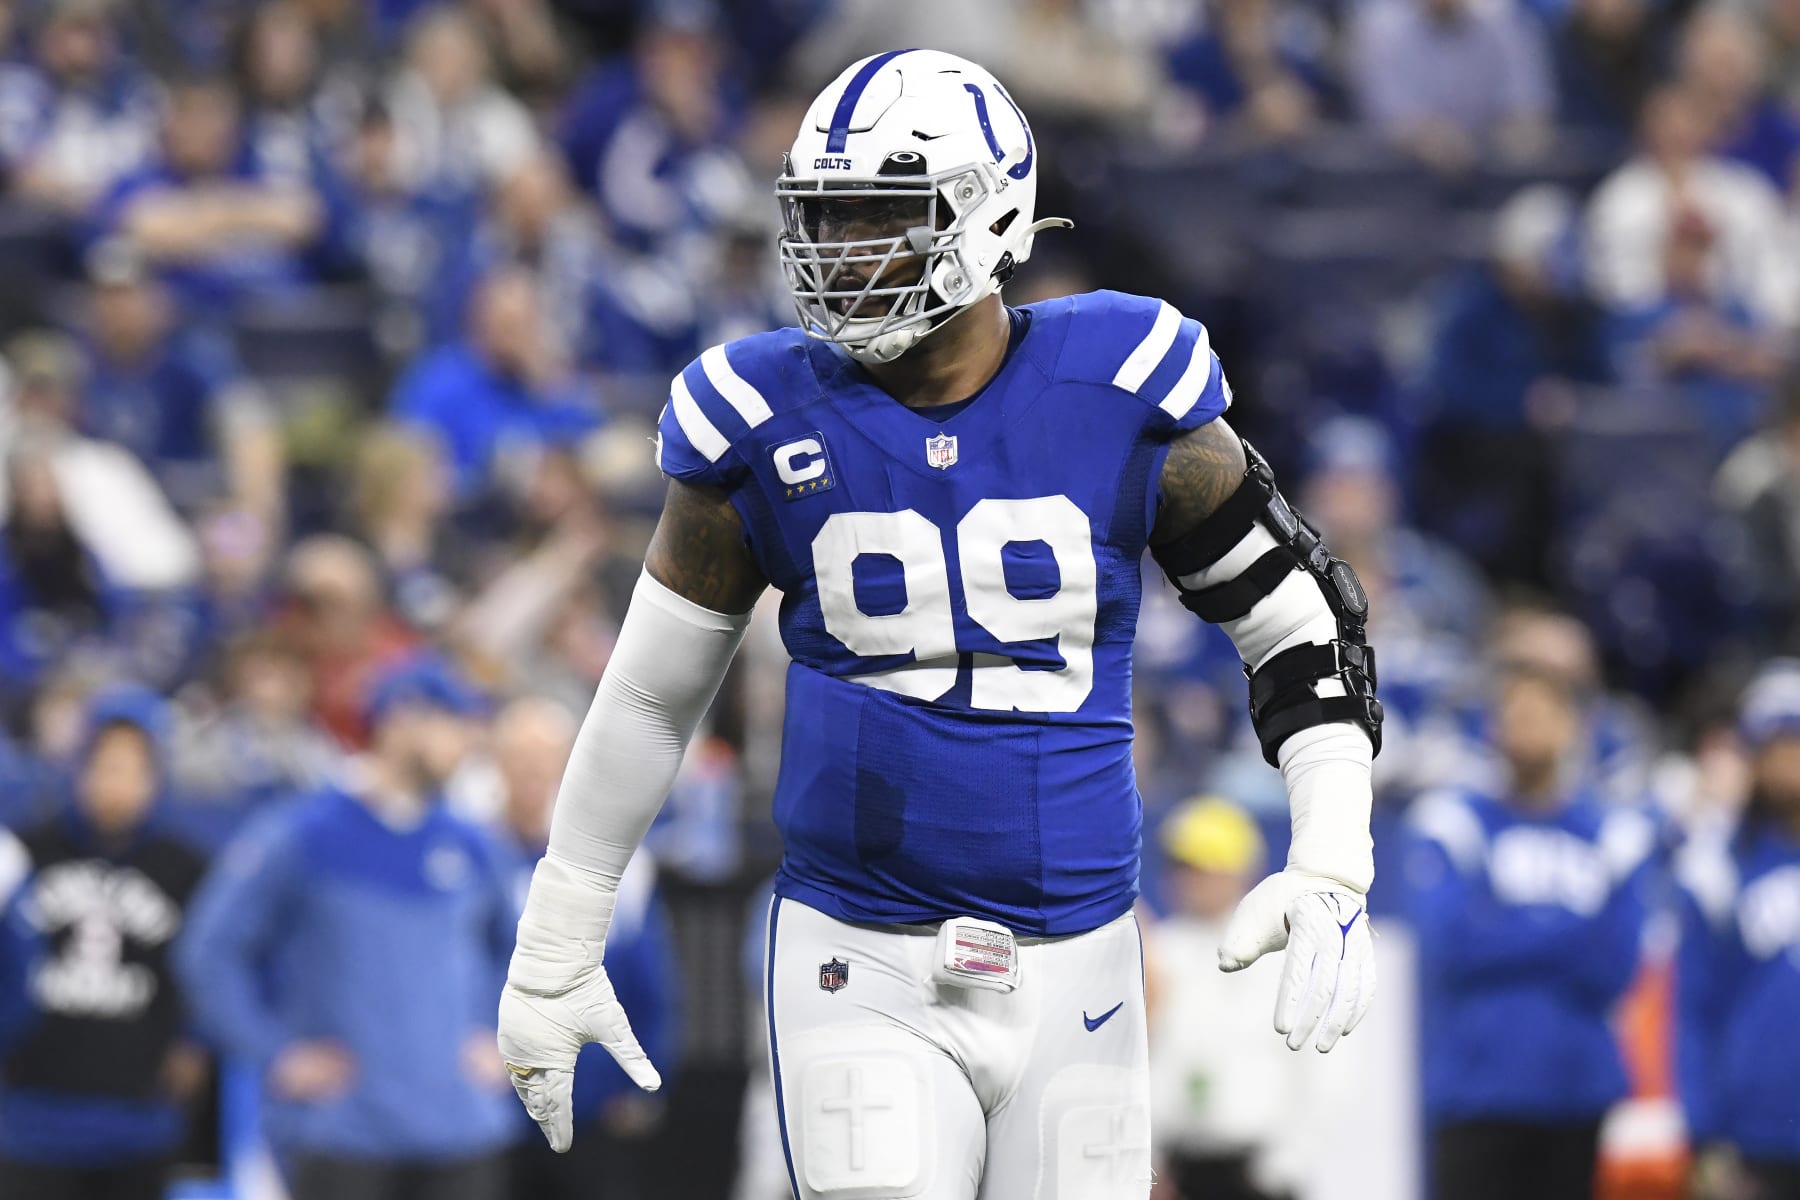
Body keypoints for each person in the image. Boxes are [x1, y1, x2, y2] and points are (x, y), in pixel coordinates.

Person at [498, 50, 1382, 1200]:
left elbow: (1302, 623)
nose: (842, 248)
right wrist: (562, 931)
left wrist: (1331, 853)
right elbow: (652, 695)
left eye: (880, 216)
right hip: (860, 956)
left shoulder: (1118, 384)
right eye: (826, 215)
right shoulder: (760, 417)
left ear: (989, 216)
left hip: (1084, 962)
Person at [176, 654, 517, 1200]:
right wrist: (274, 1052)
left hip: (461, 1131)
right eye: (455, 722)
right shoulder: (302, 833)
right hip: (344, 1135)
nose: (469, 742)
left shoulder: (473, 844)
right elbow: (210, 952)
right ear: (402, 719)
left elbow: (525, 952)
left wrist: (505, 1040)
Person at [1403, 661, 1655, 1200]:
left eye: (1542, 715)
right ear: (1492, 728)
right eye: (1515, 716)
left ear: (1573, 728)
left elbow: (1616, 963)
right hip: (1476, 1089)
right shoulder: (1452, 823)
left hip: (1576, 1089)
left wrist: (1506, 924)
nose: (1527, 729)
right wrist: (1567, 926)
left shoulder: (1615, 834)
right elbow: (1452, 945)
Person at [0, 685, 210, 1200]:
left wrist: (195, 1041)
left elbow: (210, 968)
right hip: (31, 1116)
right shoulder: (21, 854)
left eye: (133, 767)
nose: (115, 782)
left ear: (156, 778)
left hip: (138, 1117)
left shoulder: (187, 869)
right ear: (76, 768)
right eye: (103, 764)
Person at [490, 697, 676, 1200]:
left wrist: (644, 1078)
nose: (530, 774)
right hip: (491, 1108)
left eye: (542, 761)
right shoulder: (469, 854)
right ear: (497, 764)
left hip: (590, 1104)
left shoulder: (618, 865)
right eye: (518, 759)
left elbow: (649, 980)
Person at [1677, 660, 1800, 1200]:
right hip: (1758, 1128)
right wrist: (1702, 1127)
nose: (1789, 760)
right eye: (1775, 745)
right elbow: (1695, 1008)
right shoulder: (1716, 871)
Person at [1148, 797, 1311, 1200]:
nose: (1191, 880)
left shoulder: (1282, 954)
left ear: (1238, 871)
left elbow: (1317, 1068)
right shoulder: (1159, 952)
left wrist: (1287, 1164)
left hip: (1257, 1168)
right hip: (1179, 1166)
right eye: (1182, 867)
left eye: (1203, 868)